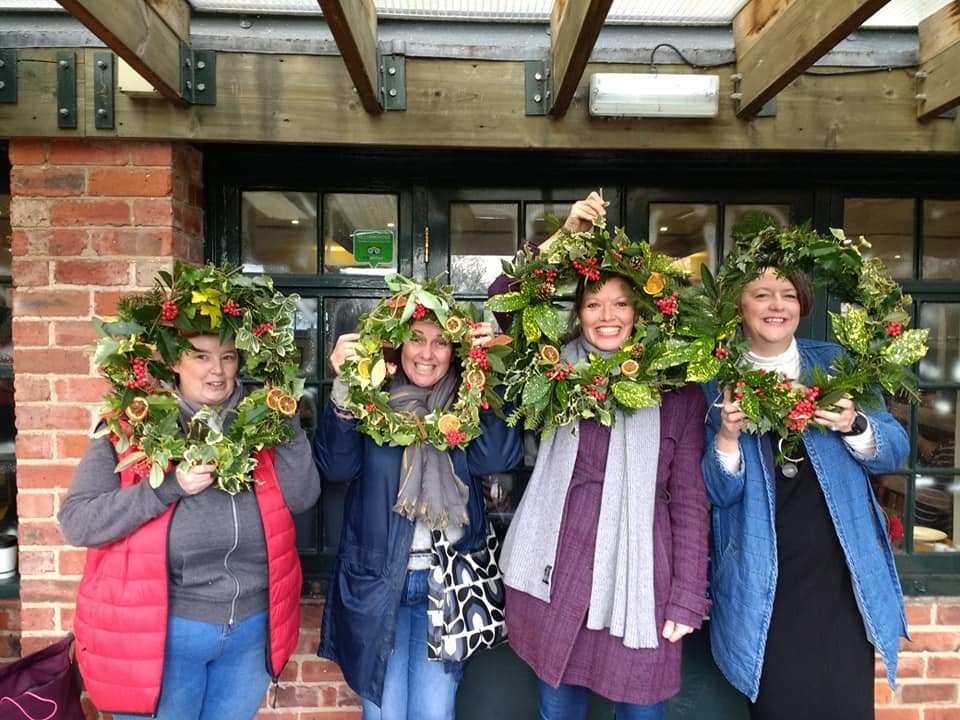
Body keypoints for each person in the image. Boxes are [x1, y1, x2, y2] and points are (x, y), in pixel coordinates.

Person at [491, 192, 710, 720]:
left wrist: (687, 597)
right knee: (558, 708)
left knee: (643, 711)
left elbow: (689, 501)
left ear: (640, 311)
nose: (607, 316)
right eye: (593, 304)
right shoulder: (552, 368)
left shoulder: (676, 391)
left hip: (641, 579)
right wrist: (565, 238)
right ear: (578, 313)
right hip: (557, 569)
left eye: (620, 303)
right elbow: (503, 298)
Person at [60, 334, 321, 720]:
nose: (217, 370)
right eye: (201, 357)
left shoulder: (262, 421)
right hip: (164, 635)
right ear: (174, 363)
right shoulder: (132, 426)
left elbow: (302, 497)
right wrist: (168, 487)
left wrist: (288, 427)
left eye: (227, 357)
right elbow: (78, 522)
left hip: (250, 631)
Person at [701, 267, 909, 720]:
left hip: (840, 574)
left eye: (789, 295)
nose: (777, 306)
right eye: (762, 294)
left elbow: (894, 450)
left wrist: (853, 423)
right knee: (779, 703)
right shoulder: (716, 379)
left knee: (846, 705)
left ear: (803, 305)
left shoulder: (834, 363)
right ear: (740, 304)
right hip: (763, 579)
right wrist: (728, 437)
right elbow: (718, 493)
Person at [315, 317, 523, 720]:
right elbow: (335, 467)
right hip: (378, 583)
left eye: (441, 342)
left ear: (455, 351)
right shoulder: (371, 397)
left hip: (448, 585)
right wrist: (345, 384)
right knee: (385, 714)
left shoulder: (465, 402)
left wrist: (487, 375)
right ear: (398, 345)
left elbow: (498, 458)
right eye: (415, 339)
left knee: (434, 713)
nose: (427, 353)